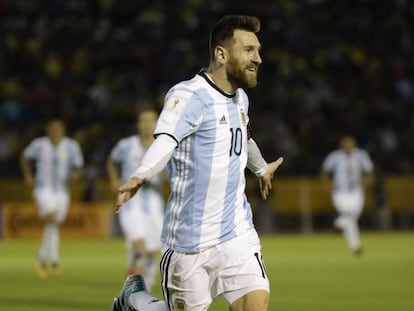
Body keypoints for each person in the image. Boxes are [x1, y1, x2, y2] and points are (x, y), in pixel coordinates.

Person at [111, 15, 283, 311]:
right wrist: (140, 175)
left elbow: (243, 137)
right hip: (188, 243)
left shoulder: (241, 99)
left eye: (258, 50)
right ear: (221, 53)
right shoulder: (188, 95)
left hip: (236, 233)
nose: (259, 58)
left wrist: (261, 168)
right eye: (249, 50)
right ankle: (136, 301)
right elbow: (165, 140)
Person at [107, 107, 165, 290]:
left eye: (151, 120)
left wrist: (161, 176)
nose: (147, 124)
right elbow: (111, 161)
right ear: (138, 124)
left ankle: (144, 284)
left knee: (151, 251)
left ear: (157, 123)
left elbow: (170, 173)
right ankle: (134, 269)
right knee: (140, 244)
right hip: (130, 203)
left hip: (154, 203)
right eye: (144, 120)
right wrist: (114, 179)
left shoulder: (163, 145)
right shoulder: (126, 145)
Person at [20, 119, 84, 279]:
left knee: (53, 224)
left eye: (58, 130)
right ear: (47, 131)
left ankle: (43, 257)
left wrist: (76, 174)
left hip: (62, 191)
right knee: (52, 218)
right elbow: (24, 157)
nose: (55, 132)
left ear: (63, 131)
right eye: (52, 129)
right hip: (43, 189)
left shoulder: (71, 146)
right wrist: (28, 175)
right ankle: (52, 260)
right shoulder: (39, 145)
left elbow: (78, 165)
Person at [320, 135, 374, 255]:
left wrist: (365, 182)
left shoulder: (361, 155)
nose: (348, 146)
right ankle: (356, 246)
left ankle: (338, 223)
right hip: (340, 192)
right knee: (350, 216)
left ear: (354, 144)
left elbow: (370, 171)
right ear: (342, 145)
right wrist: (327, 185)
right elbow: (324, 170)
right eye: (346, 143)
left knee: (352, 217)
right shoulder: (335, 156)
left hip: (356, 191)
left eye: (351, 143)